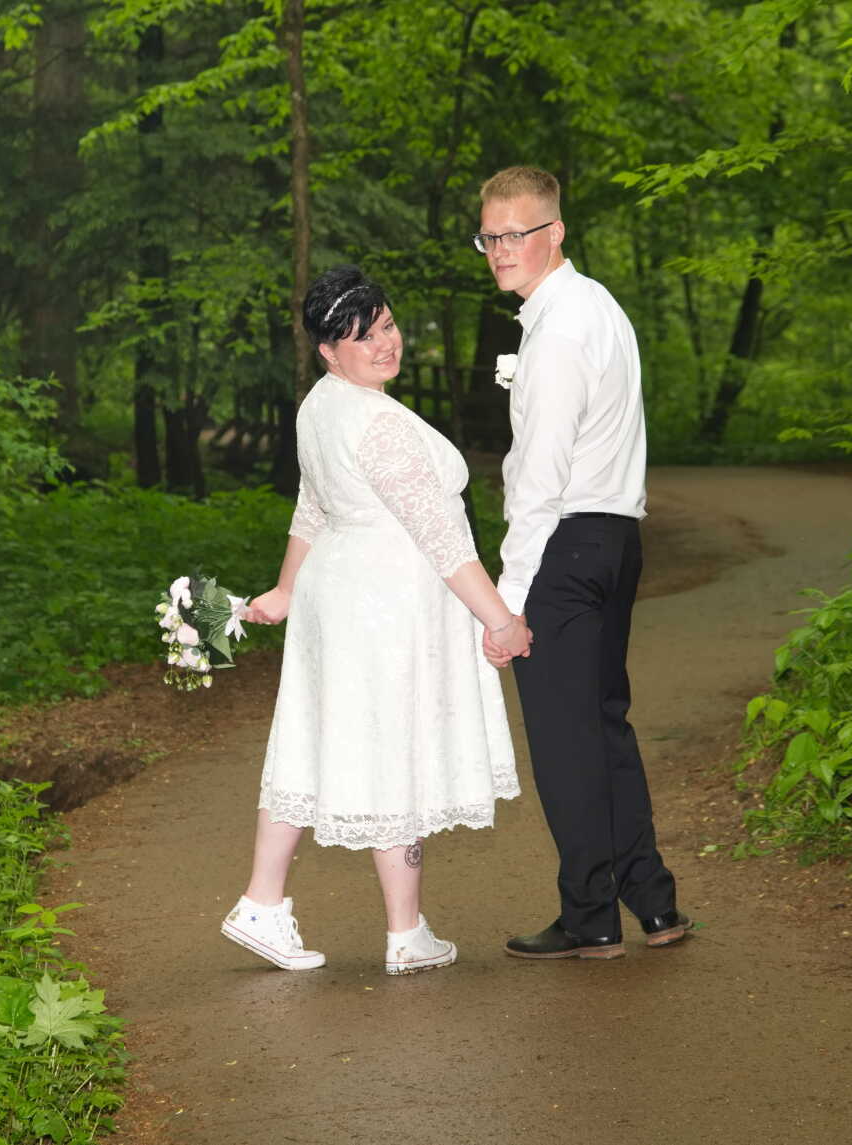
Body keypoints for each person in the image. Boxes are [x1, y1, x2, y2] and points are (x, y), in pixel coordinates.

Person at [220, 265, 530, 976]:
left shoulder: (320, 406)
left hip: (339, 591)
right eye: (362, 337)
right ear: (329, 350)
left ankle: (274, 903)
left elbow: (313, 506)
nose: (383, 344)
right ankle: (402, 931)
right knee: (394, 745)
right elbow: (442, 539)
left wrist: (288, 588)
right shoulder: (378, 423)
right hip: (383, 605)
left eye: (386, 325)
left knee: (315, 736)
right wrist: (501, 621)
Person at [475, 166, 690, 959]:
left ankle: (591, 914)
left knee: (567, 740)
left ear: (554, 232)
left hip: (567, 545)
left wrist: (508, 597)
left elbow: (539, 475)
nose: (501, 250)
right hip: (616, 539)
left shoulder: (560, 329)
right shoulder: (594, 306)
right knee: (603, 726)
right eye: (490, 236)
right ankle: (654, 902)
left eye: (516, 233)